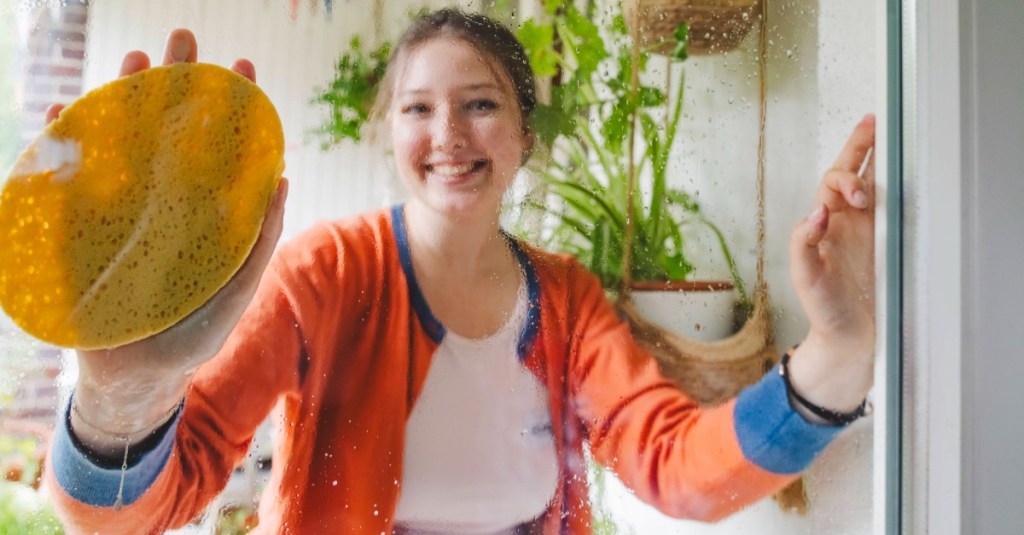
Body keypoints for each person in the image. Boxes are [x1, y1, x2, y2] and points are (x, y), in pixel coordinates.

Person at [41, 9, 876, 535]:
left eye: (480, 103)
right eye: (418, 108)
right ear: (390, 132)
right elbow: (138, 511)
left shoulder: (571, 304)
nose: (449, 133)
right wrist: (123, 401)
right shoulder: (323, 276)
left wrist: (835, 350)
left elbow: (676, 467)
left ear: (522, 136)